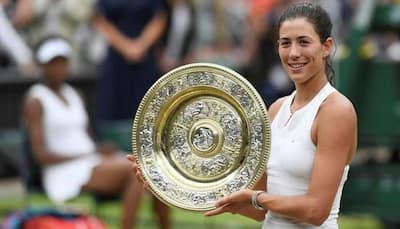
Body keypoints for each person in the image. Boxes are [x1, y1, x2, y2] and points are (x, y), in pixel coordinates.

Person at [129, 2, 358, 228]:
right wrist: (166, 184)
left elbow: (316, 210)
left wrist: (255, 198)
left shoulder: (336, 112)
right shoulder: (277, 109)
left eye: (304, 42)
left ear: (326, 46)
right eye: (285, 43)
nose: (294, 53)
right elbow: (260, 211)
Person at [22, 36, 143, 229]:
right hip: (63, 173)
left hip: (89, 162)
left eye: (62, 62)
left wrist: (99, 149)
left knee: (151, 170)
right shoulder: (36, 100)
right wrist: (87, 154)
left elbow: (85, 137)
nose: (58, 68)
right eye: (52, 63)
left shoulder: (74, 94)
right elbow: (40, 155)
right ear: (42, 65)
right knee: (135, 170)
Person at [92, 1, 171, 228]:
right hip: (117, 68)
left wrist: (141, 45)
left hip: (145, 65)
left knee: (155, 156)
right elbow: (100, 19)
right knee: (127, 155)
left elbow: (159, 16)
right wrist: (126, 46)